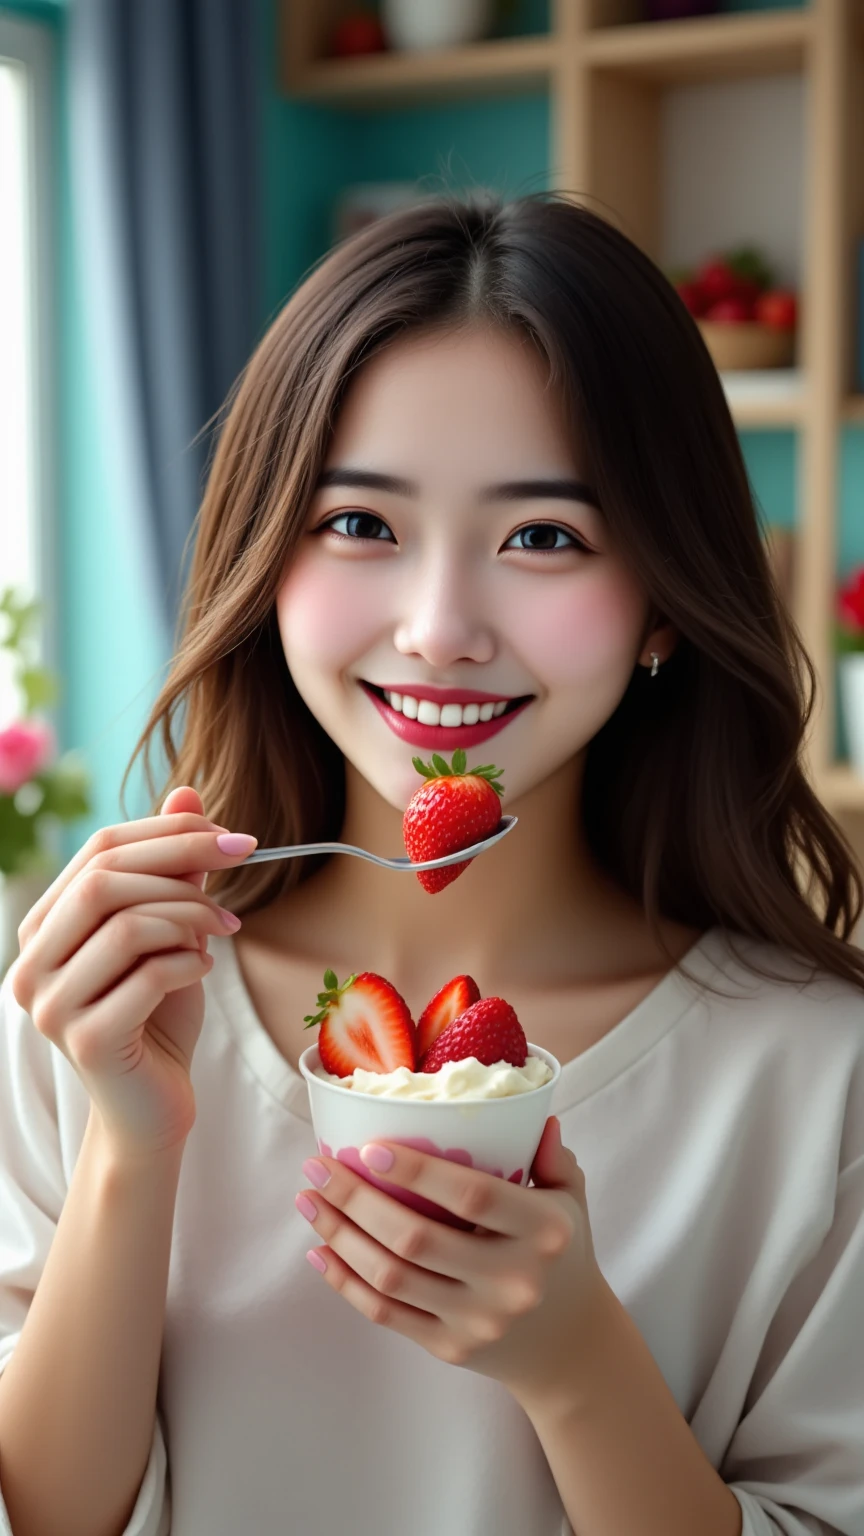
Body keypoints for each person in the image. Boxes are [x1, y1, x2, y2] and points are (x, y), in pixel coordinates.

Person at [1, 193, 862, 1536]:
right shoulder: (103, 1003)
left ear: (663, 606)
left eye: (544, 537)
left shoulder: (821, 1079)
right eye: (360, 523)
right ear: (266, 560)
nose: (441, 626)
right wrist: (131, 1149)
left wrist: (577, 1368)